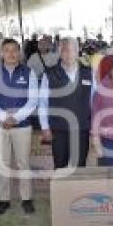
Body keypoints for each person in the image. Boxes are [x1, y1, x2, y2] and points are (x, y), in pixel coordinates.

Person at [0, 39, 39, 215]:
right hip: (0, 126)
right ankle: (4, 199)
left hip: (22, 125)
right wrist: (2, 117)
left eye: (14, 50)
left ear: (19, 52)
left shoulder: (29, 73)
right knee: (3, 163)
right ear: (1, 53)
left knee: (23, 163)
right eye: (6, 50)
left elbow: (33, 100)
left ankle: (26, 198)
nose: (11, 54)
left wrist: (16, 118)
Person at [39, 37, 94, 169]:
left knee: (79, 166)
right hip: (59, 129)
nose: (68, 54)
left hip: (81, 128)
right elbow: (43, 102)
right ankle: (62, 190)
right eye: (64, 50)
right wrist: (45, 127)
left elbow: (94, 101)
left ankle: (78, 190)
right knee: (60, 165)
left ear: (78, 51)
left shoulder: (89, 73)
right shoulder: (49, 74)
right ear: (59, 52)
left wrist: (94, 125)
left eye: (72, 50)